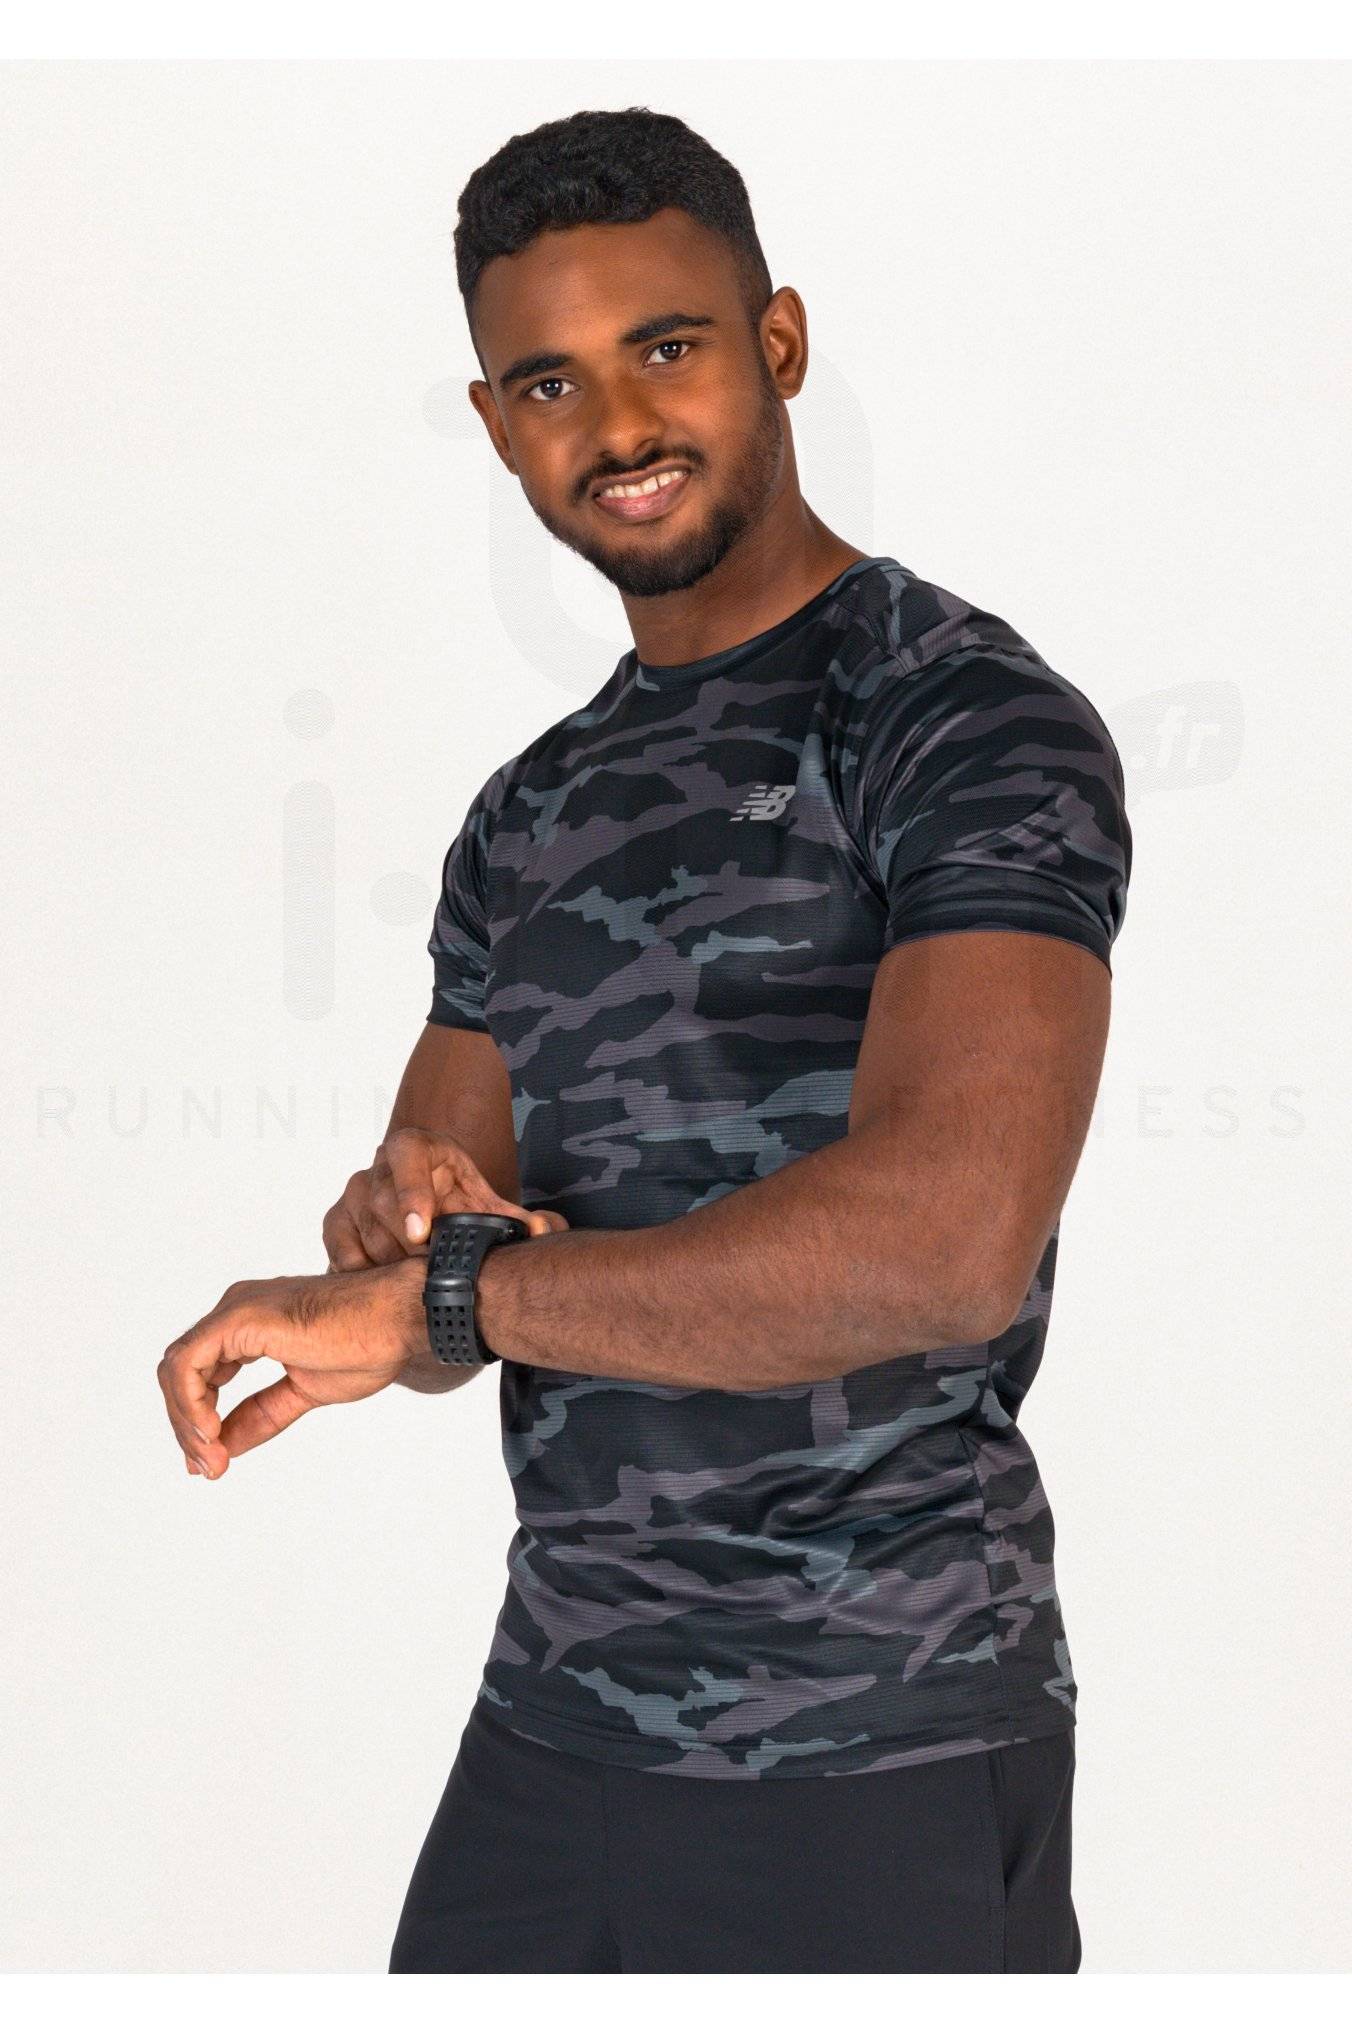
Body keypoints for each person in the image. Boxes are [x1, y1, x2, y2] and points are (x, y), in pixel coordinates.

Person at [157, 106, 1131, 1973]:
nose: (615, 425)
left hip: (880, 1738)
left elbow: (947, 1241)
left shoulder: (954, 718)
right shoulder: (528, 811)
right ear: (493, 422)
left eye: (665, 347)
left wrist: (450, 1298)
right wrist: (395, 1240)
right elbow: (449, 1254)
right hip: (556, 1727)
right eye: (549, 381)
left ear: (779, 343)